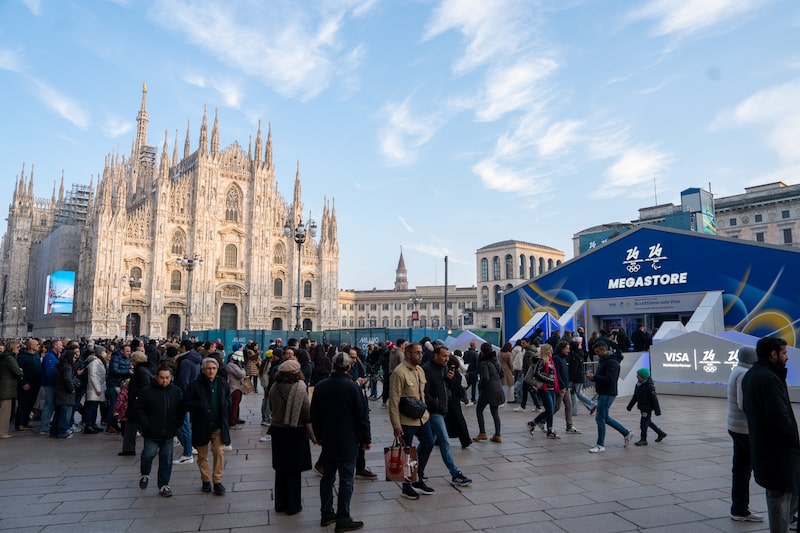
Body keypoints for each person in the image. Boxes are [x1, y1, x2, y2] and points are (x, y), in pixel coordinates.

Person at [741, 336, 799, 531]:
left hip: (765, 448)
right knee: (780, 500)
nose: (787, 357)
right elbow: (779, 416)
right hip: (777, 451)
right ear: (773, 354)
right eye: (784, 353)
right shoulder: (769, 378)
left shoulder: (753, 374)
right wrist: (793, 439)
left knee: (780, 495)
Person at [311, 351, 371, 532]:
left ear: (332, 366)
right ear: (349, 367)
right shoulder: (353, 388)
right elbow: (362, 416)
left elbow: (315, 414)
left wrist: (318, 435)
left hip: (328, 439)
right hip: (348, 440)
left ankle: (326, 513)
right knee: (346, 479)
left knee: (328, 478)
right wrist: (366, 439)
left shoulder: (321, 386)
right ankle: (343, 518)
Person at [388, 342, 435, 500]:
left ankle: (417, 477)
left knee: (428, 443)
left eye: (421, 353)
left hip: (422, 417)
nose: (421, 355)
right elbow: (393, 401)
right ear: (408, 354)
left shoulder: (420, 370)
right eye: (417, 353)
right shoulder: (399, 372)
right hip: (406, 420)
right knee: (406, 453)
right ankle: (406, 486)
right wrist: (396, 424)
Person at [423, 345, 472, 486]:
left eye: (448, 356)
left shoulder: (443, 368)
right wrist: (437, 405)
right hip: (434, 411)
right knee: (444, 441)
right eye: (444, 356)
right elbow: (425, 392)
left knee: (428, 443)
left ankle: (417, 470)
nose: (447, 359)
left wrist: (449, 380)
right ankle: (455, 473)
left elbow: (445, 388)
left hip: (442, 409)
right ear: (435, 355)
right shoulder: (427, 369)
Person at [268, 359, 313, 515]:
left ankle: (280, 504)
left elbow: (270, 407)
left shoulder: (274, 387)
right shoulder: (300, 388)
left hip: (278, 430)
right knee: (294, 471)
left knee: (280, 469)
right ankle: (294, 505)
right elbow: (307, 412)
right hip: (295, 431)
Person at [182, 357, 232, 495]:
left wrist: (226, 405)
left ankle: (217, 481)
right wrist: (199, 405)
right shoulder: (195, 385)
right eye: (208, 368)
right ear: (203, 370)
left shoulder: (222, 383)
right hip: (201, 425)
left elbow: (228, 398)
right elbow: (185, 402)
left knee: (218, 452)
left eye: (214, 368)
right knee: (202, 455)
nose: (211, 371)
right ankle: (205, 480)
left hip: (218, 424)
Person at [131, 366, 184, 497]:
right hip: (151, 431)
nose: (164, 380)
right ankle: (145, 473)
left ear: (171, 378)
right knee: (149, 454)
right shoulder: (147, 391)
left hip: (169, 430)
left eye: (167, 378)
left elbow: (181, 409)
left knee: (166, 458)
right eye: (162, 378)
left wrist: (178, 423)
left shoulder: (176, 391)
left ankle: (164, 484)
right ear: (156, 377)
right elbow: (139, 409)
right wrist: (145, 425)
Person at [726, 345, 764, 523]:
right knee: (763, 469)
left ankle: (739, 509)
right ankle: (787, 514)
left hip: (736, 427)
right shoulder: (744, 374)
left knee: (740, 470)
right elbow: (744, 404)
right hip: (745, 429)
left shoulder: (737, 370)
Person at [585, 341, 633, 453]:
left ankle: (600, 444)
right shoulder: (605, 361)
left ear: (604, 350)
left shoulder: (612, 362)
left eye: (598, 352)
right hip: (604, 392)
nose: (597, 354)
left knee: (600, 418)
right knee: (604, 418)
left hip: (607, 393)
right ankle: (626, 433)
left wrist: (595, 377)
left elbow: (611, 380)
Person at [174, 339, 201, 465]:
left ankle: (187, 453)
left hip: (183, 397)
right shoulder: (195, 359)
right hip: (190, 395)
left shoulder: (185, 361)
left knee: (182, 425)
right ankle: (189, 449)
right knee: (184, 424)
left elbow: (183, 381)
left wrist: (181, 396)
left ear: (183, 348)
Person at [120, 351, 152, 456]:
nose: (131, 361)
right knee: (132, 425)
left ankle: (129, 448)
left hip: (137, 402)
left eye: (132, 360)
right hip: (136, 401)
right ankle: (128, 448)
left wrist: (139, 398)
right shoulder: (141, 370)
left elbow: (145, 386)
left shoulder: (141, 371)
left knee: (135, 425)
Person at [525, 343, 560, 440]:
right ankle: (549, 430)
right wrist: (548, 380)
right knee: (550, 409)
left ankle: (533, 423)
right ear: (546, 351)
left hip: (551, 388)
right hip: (544, 388)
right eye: (550, 350)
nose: (552, 352)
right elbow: (537, 373)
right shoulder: (541, 361)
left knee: (551, 410)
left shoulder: (551, 360)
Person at [472, 342, 503, 443]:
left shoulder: (484, 363)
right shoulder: (496, 360)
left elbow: (485, 378)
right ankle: (497, 435)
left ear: (482, 352)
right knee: (495, 412)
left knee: (479, 410)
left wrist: (480, 385)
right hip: (498, 388)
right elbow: (501, 373)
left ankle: (482, 433)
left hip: (488, 390)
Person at [625, 368, 665, 446]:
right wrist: (629, 406)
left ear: (643, 377)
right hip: (642, 407)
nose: (637, 376)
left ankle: (643, 439)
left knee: (643, 423)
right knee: (648, 422)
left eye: (638, 375)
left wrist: (657, 411)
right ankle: (660, 433)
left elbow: (654, 399)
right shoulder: (638, 384)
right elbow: (635, 396)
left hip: (647, 408)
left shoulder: (649, 386)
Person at [553, 340, 581, 434]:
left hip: (565, 385)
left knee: (568, 405)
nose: (568, 351)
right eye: (566, 349)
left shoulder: (563, 358)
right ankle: (541, 420)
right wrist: (562, 385)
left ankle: (569, 426)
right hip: (562, 386)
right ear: (562, 349)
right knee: (556, 406)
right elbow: (557, 373)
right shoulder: (557, 358)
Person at [15, 338, 41, 432]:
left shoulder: (36, 355)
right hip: (26, 385)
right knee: (23, 404)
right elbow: (19, 371)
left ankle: (26, 420)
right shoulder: (22, 357)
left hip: (36, 383)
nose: (38, 346)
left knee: (31, 404)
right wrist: (23, 383)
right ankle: (19, 423)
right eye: (37, 344)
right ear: (31, 346)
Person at [82, 346, 108, 434]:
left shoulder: (99, 361)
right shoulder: (94, 362)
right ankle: (88, 425)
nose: (105, 353)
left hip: (99, 388)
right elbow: (92, 376)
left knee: (95, 407)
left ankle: (93, 424)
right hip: (94, 389)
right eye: (104, 351)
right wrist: (97, 388)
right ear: (100, 353)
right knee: (91, 407)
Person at [0, 341, 23, 439]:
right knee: (5, 411)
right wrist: (21, 370)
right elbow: (18, 371)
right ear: (13, 348)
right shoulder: (10, 358)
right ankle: (2, 432)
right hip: (7, 388)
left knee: (4, 410)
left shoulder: (7, 357)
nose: (19, 348)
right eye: (17, 347)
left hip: (6, 387)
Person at [40, 339, 63, 435]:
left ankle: (46, 424)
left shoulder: (53, 356)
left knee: (50, 405)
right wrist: (55, 384)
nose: (62, 347)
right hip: (50, 384)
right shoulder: (50, 357)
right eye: (60, 345)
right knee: (49, 405)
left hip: (51, 384)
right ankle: (44, 427)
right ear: (55, 346)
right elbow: (50, 373)